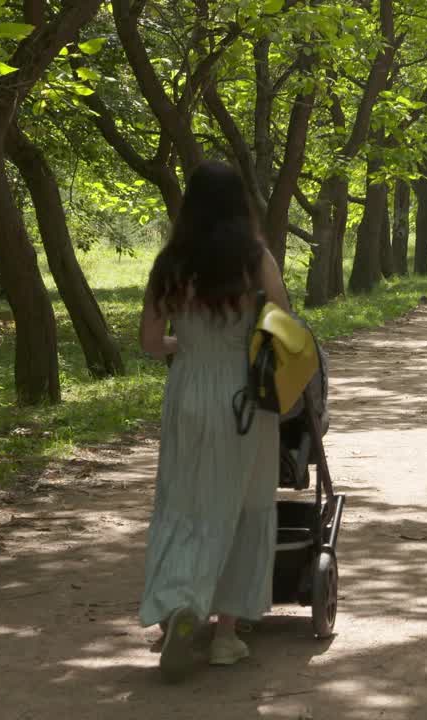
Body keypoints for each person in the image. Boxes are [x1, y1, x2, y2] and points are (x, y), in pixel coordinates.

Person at [138, 160, 291, 682]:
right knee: (246, 507)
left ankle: (177, 609)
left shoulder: (169, 265)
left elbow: (151, 343)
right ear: (239, 204)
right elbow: (282, 326)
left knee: (183, 501)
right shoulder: (254, 260)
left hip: (187, 392)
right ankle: (225, 636)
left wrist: (190, 346)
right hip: (244, 399)